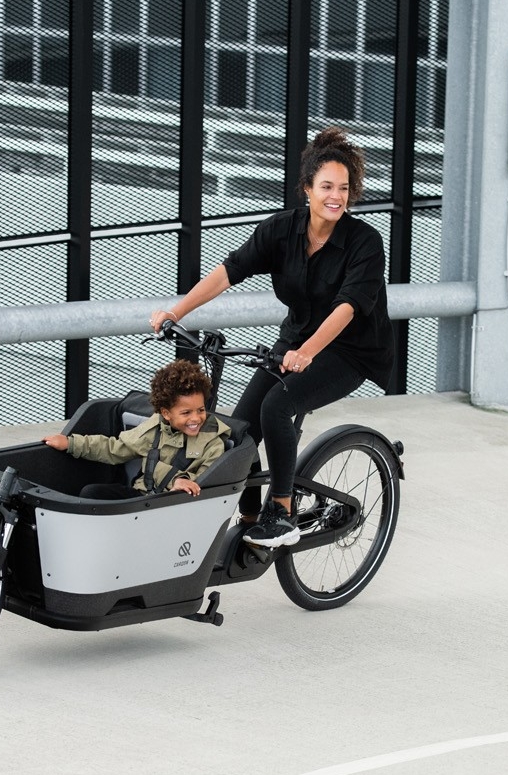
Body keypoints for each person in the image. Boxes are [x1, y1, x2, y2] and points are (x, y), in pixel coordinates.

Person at [147, 127, 393, 548]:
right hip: (295, 340)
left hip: (350, 351)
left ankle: (282, 512)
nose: (336, 196)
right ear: (308, 189)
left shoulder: (364, 242)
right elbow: (230, 271)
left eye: (344, 188)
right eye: (327, 187)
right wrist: (176, 311)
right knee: (238, 431)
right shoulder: (281, 230)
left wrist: (307, 353)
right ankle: (249, 517)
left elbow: (347, 307)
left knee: (277, 406)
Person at [43, 359, 231, 499]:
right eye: (186, 413)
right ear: (166, 413)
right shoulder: (155, 429)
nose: (196, 418)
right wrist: (71, 443)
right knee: (92, 492)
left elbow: (205, 483)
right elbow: (115, 448)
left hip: (172, 505)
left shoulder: (213, 443)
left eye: (201, 410)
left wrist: (175, 480)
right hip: (141, 498)